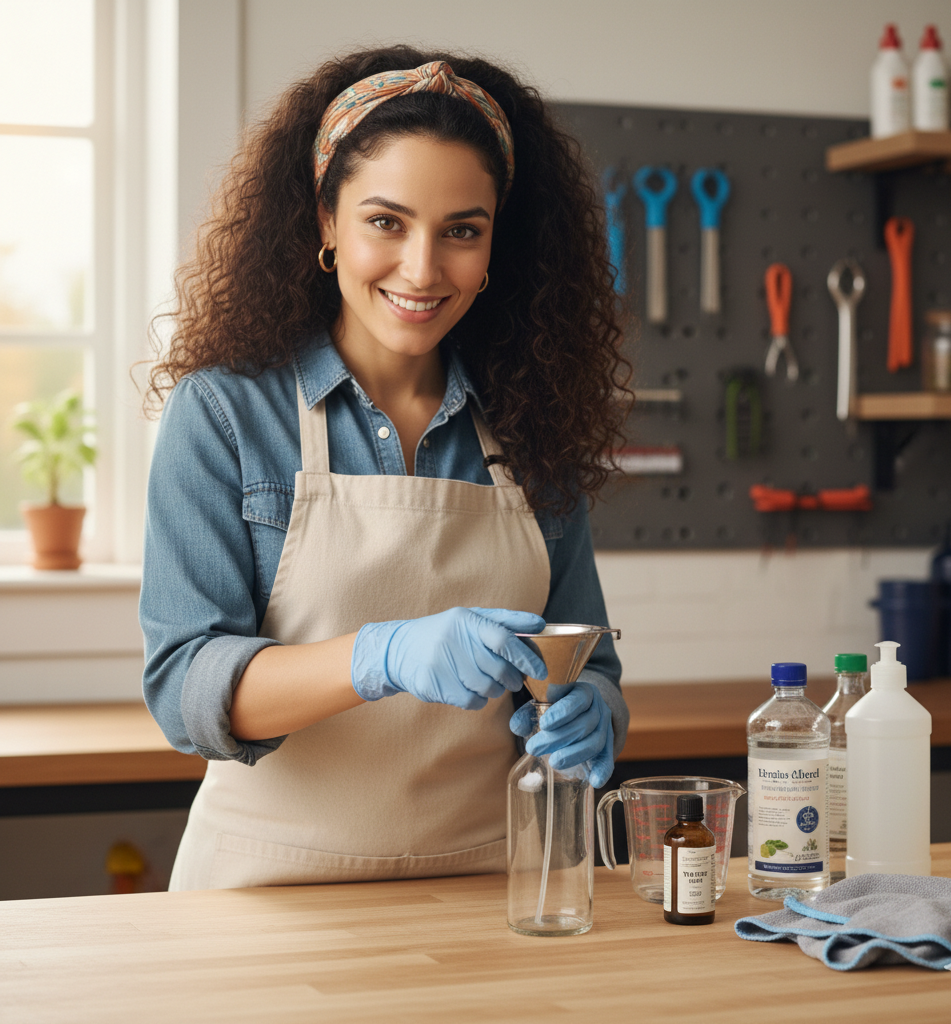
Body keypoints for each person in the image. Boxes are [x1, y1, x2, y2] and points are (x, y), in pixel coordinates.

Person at [140, 45, 631, 891]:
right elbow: (186, 690)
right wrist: (381, 656)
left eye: (462, 231)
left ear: (496, 245)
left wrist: (597, 711)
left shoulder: (533, 420)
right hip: (265, 895)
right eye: (386, 222)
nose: (422, 269)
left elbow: (584, 660)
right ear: (326, 223)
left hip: (500, 888)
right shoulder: (225, 413)